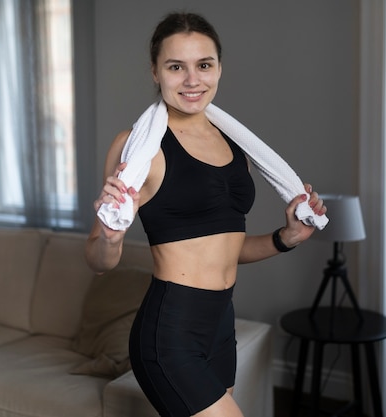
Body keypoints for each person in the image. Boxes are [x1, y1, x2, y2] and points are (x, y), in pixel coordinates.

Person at [85, 12, 326, 417]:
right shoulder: (139, 148)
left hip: (220, 325)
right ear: (155, 72)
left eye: (204, 65)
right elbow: (96, 261)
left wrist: (285, 238)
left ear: (218, 69)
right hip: (170, 330)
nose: (192, 80)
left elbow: (226, 248)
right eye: (176, 66)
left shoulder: (235, 146)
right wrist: (110, 238)